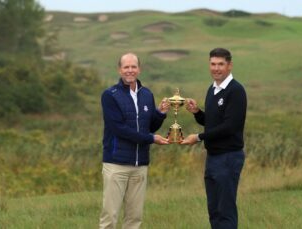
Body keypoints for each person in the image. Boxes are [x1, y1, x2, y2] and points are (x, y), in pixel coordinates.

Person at [99, 52, 170, 229]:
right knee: (110, 217)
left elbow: (149, 128)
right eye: (126, 67)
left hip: (140, 165)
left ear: (139, 69)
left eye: (133, 67)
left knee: (134, 218)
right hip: (116, 164)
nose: (130, 70)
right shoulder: (110, 95)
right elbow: (119, 129)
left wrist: (160, 114)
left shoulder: (147, 94)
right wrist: (151, 139)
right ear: (119, 69)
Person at [181, 48, 247, 229]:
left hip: (229, 157)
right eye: (213, 64)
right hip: (213, 158)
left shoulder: (236, 91)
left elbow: (229, 127)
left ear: (229, 65)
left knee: (225, 211)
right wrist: (197, 113)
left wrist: (199, 137)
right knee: (214, 210)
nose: (216, 68)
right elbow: (211, 123)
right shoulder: (212, 89)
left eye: (220, 64)